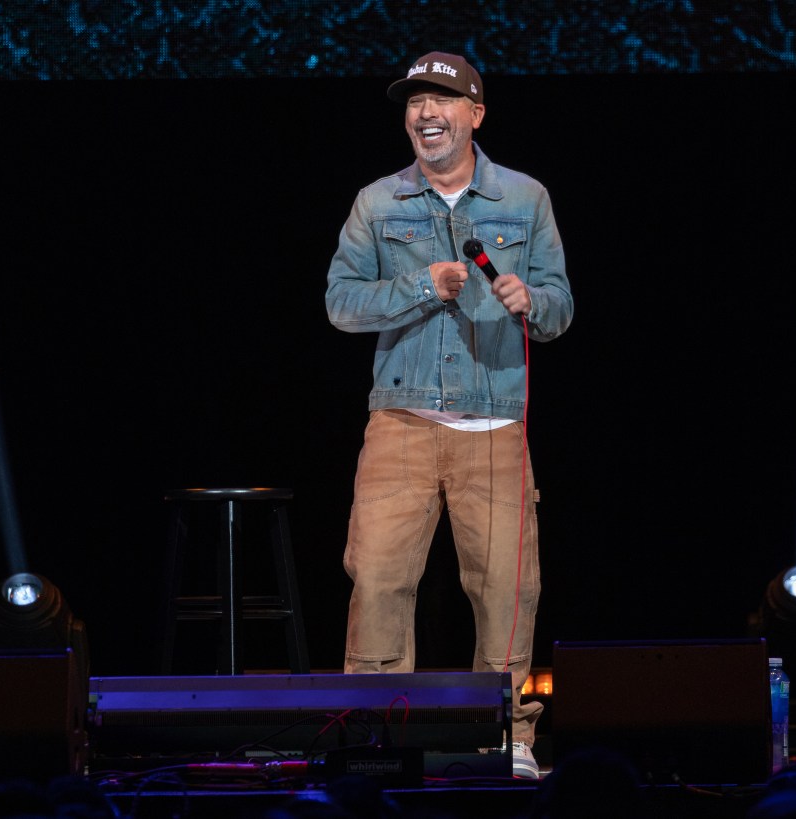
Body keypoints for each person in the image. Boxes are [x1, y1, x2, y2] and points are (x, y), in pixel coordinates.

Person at [325, 51, 573, 779]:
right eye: (414, 103)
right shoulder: (379, 201)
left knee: (506, 590)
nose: (425, 113)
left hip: (493, 425)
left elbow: (560, 304)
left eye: (441, 100)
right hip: (400, 422)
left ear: (476, 115)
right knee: (378, 580)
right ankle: (374, 736)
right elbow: (341, 302)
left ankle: (507, 736)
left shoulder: (524, 198)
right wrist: (420, 285)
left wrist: (535, 301)